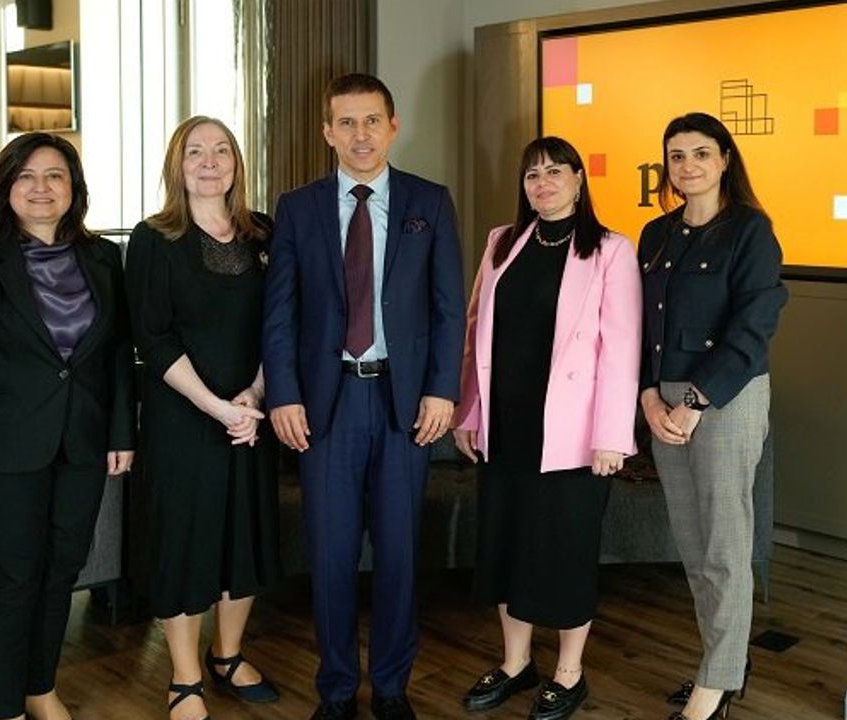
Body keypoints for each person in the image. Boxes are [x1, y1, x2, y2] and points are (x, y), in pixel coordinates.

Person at [262, 73, 466, 720]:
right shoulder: (297, 208)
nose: (360, 134)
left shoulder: (429, 202)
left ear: (393, 126)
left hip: (405, 406)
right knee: (330, 555)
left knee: (400, 553)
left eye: (372, 120)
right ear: (327, 132)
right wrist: (283, 395)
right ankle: (337, 689)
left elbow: (447, 309)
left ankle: (393, 687)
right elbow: (280, 313)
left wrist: (442, 389)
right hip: (326, 407)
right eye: (346, 122)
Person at [0, 132, 135, 720]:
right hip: (1, 449)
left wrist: (121, 432)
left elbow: (117, 352)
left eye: (55, 176)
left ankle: (39, 688)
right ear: (7, 187)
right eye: (26, 176)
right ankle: (2, 708)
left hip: (82, 444)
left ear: (74, 188)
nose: (41, 188)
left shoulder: (103, 258)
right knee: (9, 580)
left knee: (61, 571)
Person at [452, 136, 642, 720]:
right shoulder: (501, 242)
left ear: (580, 180)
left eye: (556, 171)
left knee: (564, 553)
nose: (543, 183)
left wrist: (613, 435)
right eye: (533, 174)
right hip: (505, 426)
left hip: (574, 437)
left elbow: (623, 349)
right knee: (506, 547)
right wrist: (469, 412)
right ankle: (516, 663)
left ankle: (568, 672)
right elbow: (475, 334)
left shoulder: (610, 250)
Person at [125, 116, 282, 720]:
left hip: (250, 414)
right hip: (183, 418)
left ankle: (229, 654)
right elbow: (153, 337)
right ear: (177, 164)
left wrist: (254, 396)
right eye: (196, 152)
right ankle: (185, 676)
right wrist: (218, 407)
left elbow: (282, 320)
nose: (210, 162)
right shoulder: (153, 238)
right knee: (184, 541)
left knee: (244, 535)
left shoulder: (263, 232)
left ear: (237, 163)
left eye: (222, 151)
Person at [637, 112, 787, 720]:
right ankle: (722, 663)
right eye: (677, 155)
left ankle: (718, 681)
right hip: (665, 402)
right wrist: (648, 396)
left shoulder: (751, 230)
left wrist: (695, 402)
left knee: (725, 544)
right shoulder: (656, 234)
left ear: (725, 159)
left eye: (701, 153)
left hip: (725, 396)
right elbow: (639, 326)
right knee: (694, 545)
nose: (688, 165)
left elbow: (753, 327)